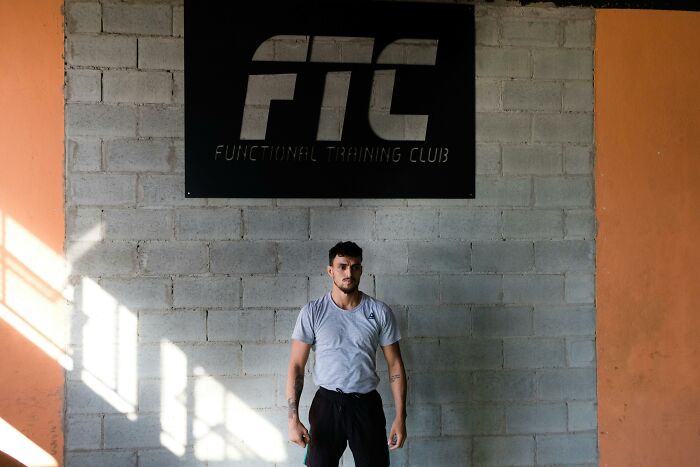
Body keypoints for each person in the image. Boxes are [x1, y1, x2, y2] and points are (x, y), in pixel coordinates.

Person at [286, 241, 407, 467]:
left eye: (355, 267)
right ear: (330, 270)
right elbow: (296, 366)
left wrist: (401, 418)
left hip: (366, 405)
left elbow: (395, 365)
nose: (348, 273)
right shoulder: (313, 312)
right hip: (327, 405)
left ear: (361, 269)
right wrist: (293, 420)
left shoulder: (379, 312)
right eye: (342, 266)